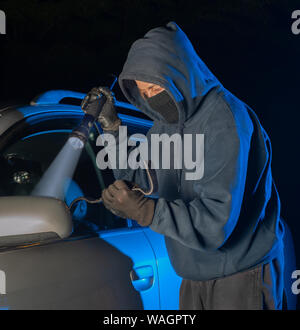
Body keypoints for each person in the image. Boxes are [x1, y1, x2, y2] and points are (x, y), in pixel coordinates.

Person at [86, 22, 287, 309]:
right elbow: (145, 180)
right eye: (142, 91)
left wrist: (144, 210)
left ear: (180, 76)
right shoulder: (166, 125)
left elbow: (217, 223)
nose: (150, 97)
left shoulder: (225, 119)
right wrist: (113, 129)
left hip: (241, 272)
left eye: (155, 87)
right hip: (193, 271)